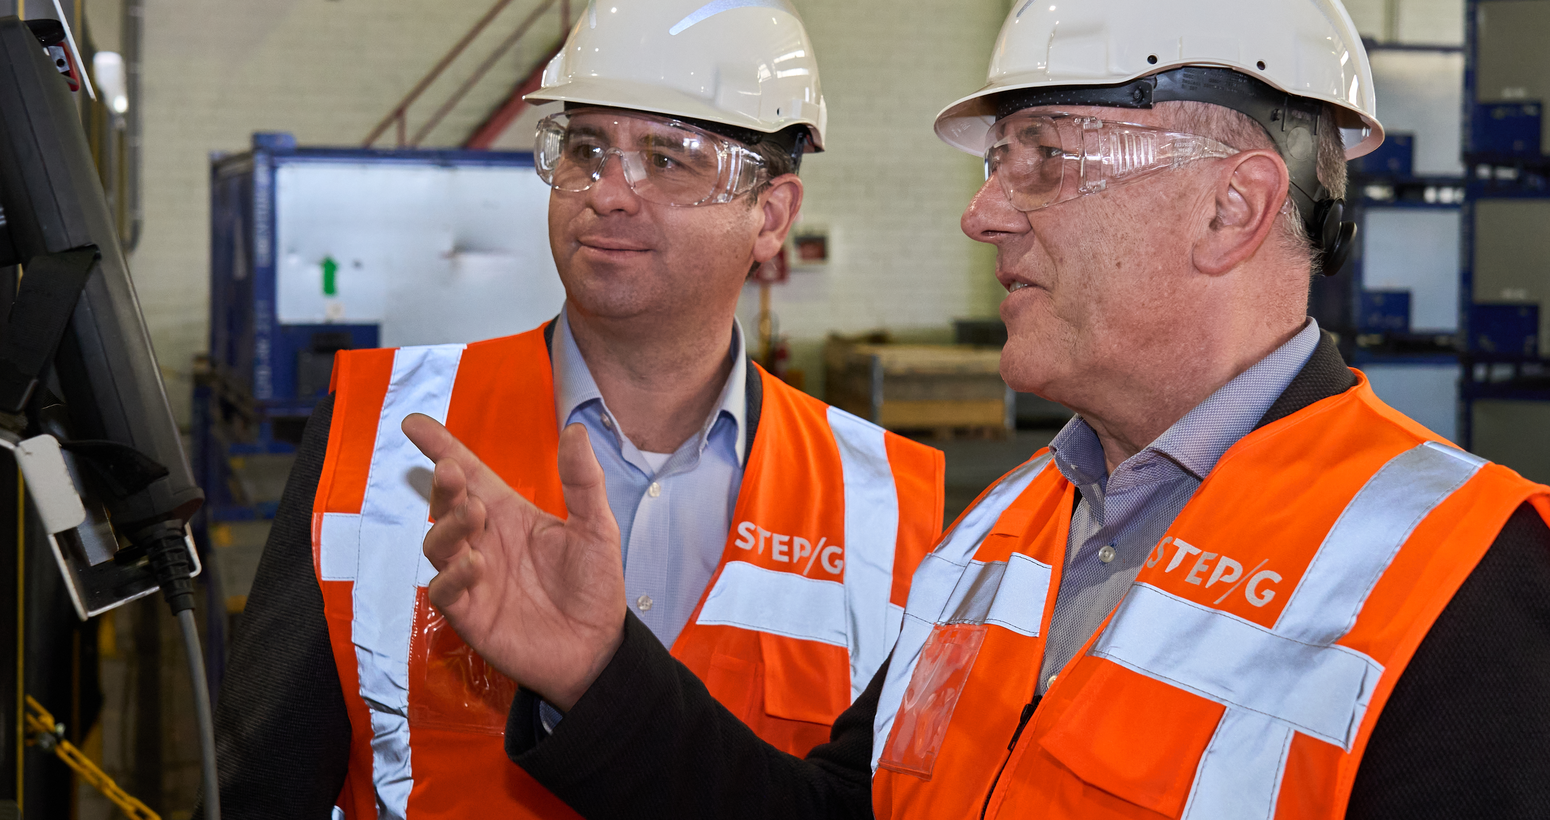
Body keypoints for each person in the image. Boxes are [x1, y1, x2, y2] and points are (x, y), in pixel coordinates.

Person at [403, 0, 1550, 818]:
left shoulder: (1462, 583)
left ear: (1228, 210)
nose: (982, 215)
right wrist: (601, 676)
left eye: (1041, 159)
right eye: (996, 161)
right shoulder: (993, 533)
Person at [204, 2, 948, 818]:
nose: (609, 194)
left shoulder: (889, 507)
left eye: (668, 159)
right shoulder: (381, 435)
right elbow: (263, 786)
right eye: (588, 149)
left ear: (770, 216)